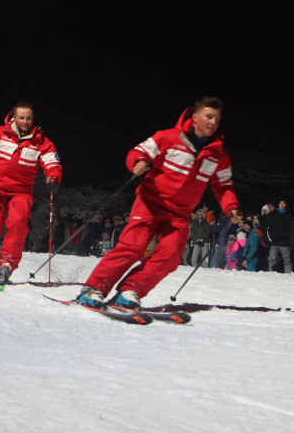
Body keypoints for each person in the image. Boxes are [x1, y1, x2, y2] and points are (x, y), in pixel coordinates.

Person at [76, 96, 241, 309]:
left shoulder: (218, 154)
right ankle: (93, 289)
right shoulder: (168, 137)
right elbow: (138, 152)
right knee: (133, 246)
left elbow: (224, 186)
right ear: (195, 117)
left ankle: (130, 291)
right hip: (150, 204)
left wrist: (231, 207)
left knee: (171, 255)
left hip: (179, 214)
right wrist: (137, 163)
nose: (213, 122)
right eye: (209, 117)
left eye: (217, 119)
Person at [0, 100, 62, 286]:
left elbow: (52, 164)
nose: (25, 121)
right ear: (14, 117)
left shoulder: (41, 142)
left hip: (21, 192)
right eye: (21, 117)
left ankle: (7, 264)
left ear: (33, 119)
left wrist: (53, 178)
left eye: (28, 118)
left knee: (17, 223)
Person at [266, 199, 294, 273]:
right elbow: (270, 227)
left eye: (283, 203)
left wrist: (282, 235)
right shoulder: (273, 215)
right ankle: (271, 274)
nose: (282, 205)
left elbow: (290, 229)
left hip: (284, 242)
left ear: (286, 205)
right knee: (272, 259)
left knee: (287, 260)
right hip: (275, 241)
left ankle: (288, 275)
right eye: (280, 203)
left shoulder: (289, 215)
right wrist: (273, 236)